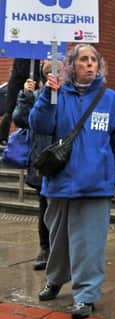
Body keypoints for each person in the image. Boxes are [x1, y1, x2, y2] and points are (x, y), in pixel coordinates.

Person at [30, 44, 115, 319]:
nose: (89, 64)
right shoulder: (57, 93)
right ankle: (55, 279)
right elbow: (40, 125)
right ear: (71, 65)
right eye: (83, 59)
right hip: (60, 181)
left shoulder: (110, 99)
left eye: (93, 60)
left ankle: (85, 295)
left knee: (90, 243)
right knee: (58, 238)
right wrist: (46, 95)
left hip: (95, 184)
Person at [12, 62, 55, 271]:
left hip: (63, 159)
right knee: (44, 206)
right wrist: (25, 97)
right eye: (46, 72)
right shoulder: (36, 96)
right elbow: (20, 119)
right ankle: (45, 248)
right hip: (42, 160)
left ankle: (60, 248)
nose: (50, 74)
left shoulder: (69, 97)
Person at [0, 59, 41, 144]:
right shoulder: (25, 54)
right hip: (20, 83)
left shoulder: (34, 55)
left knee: (29, 112)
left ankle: (6, 139)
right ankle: (2, 139)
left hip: (27, 82)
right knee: (9, 112)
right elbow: (23, 70)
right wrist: (37, 80)